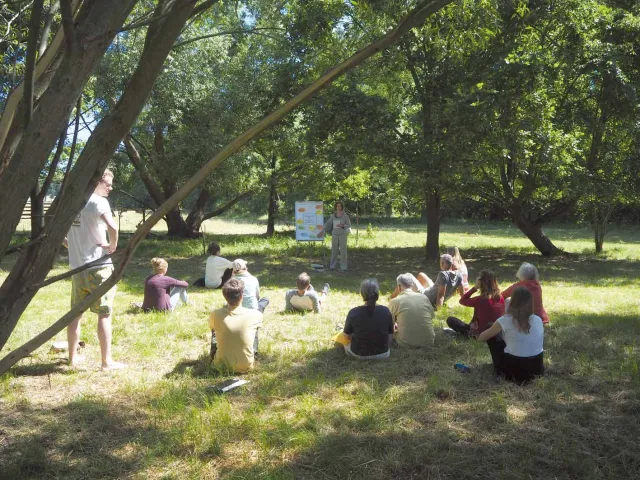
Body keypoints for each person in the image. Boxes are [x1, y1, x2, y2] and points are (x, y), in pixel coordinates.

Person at [63, 168, 125, 370]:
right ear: (97, 181)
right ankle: (106, 362)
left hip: (77, 269)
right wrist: (112, 246)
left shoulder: (73, 202)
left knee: (75, 314)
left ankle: (72, 359)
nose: (110, 188)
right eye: (108, 184)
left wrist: (72, 247)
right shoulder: (99, 202)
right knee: (104, 314)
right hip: (99, 268)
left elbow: (60, 234)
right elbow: (113, 227)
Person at [478, 287, 544, 383]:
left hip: (514, 374)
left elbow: (481, 337)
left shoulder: (505, 320)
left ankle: (499, 370)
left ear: (512, 303)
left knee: (490, 330)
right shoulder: (538, 319)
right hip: (537, 371)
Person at [209, 278, 263, 373]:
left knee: (215, 330)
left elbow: (212, 328)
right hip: (246, 366)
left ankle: (214, 356)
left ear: (225, 296)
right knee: (254, 330)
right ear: (242, 296)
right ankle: (253, 356)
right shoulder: (255, 314)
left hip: (220, 366)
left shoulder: (215, 314)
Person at [340, 279, 394, 360]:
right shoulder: (386, 311)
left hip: (359, 354)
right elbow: (390, 335)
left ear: (362, 293)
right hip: (384, 354)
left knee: (341, 340)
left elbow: (346, 336)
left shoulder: (353, 312)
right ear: (377, 293)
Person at [391, 254, 464, 310]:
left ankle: (391, 299)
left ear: (442, 264)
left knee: (408, 275)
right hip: (432, 290)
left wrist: (439, 309)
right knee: (421, 275)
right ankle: (412, 294)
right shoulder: (459, 275)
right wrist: (465, 301)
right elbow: (462, 294)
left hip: (426, 297)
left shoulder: (443, 274)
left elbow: (441, 295)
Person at [446, 270, 505, 337]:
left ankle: (467, 334)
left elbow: (462, 301)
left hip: (480, 334)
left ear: (480, 282)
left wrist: (474, 288)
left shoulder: (480, 300)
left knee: (451, 320)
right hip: (497, 333)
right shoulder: (500, 297)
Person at [388, 273, 435, 348]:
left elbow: (388, 325)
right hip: (429, 342)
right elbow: (432, 316)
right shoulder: (424, 297)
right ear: (412, 285)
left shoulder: (395, 301)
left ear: (399, 287)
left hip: (405, 344)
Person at [319, 201, 351, 271]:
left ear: (342, 207)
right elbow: (328, 223)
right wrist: (322, 230)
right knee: (334, 251)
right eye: (337, 206)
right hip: (335, 235)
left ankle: (343, 267)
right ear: (336, 207)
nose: (338, 207)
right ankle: (332, 266)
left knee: (343, 251)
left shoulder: (345, 216)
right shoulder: (333, 216)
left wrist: (343, 225)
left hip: (343, 235)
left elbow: (349, 225)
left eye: (340, 206)